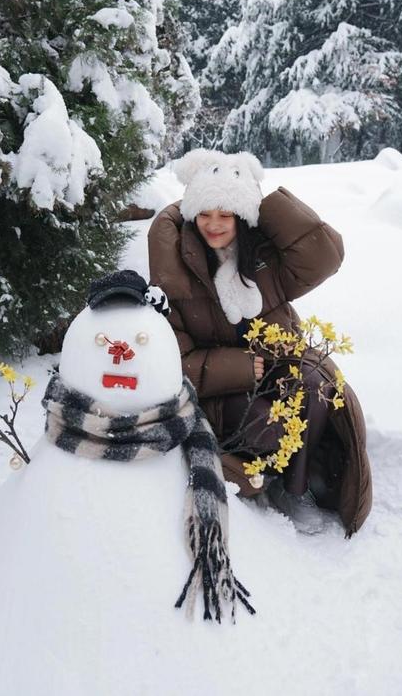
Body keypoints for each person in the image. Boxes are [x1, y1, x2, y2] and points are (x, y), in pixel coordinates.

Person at [147, 148, 372, 537]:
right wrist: (238, 365)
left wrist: (262, 202)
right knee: (273, 428)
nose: (214, 225)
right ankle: (263, 472)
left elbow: (324, 256)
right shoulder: (177, 272)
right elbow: (175, 362)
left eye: (227, 214)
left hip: (278, 365)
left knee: (319, 391)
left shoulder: (263, 258)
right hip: (222, 391)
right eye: (204, 213)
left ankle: (294, 488)